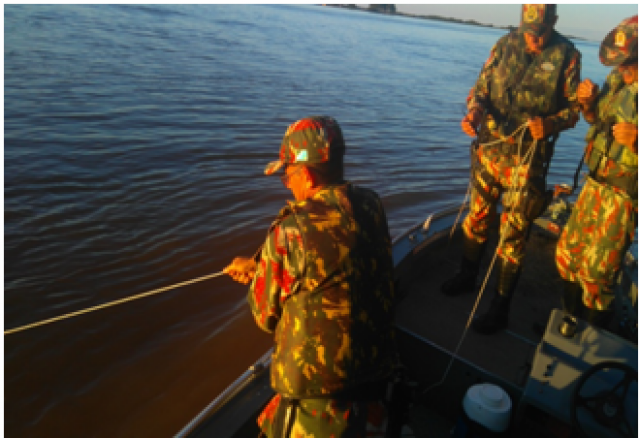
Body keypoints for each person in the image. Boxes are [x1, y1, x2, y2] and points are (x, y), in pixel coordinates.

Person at [224, 116, 397, 437]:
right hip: (377, 380)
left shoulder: (291, 229)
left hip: (320, 398)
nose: (287, 185)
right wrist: (259, 264)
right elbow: (333, 256)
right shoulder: (372, 204)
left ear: (305, 174)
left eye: (287, 177)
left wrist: (258, 277)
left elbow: (265, 317)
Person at [441, 4, 582, 335]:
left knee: (513, 234)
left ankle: (499, 308)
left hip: (528, 161)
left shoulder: (568, 55)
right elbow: (481, 89)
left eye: (540, 33)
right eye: (528, 32)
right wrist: (474, 112)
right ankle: (467, 275)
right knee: (476, 218)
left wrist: (550, 124)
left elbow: (575, 110)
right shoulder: (504, 45)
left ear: (554, 23)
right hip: (490, 151)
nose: (533, 40)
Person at [555, 16, 638, 329]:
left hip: (623, 195)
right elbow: (595, 120)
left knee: (596, 276)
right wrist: (587, 104)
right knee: (567, 257)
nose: (621, 70)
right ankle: (568, 326)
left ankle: (589, 346)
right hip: (594, 183)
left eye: (627, 64)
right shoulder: (617, 82)